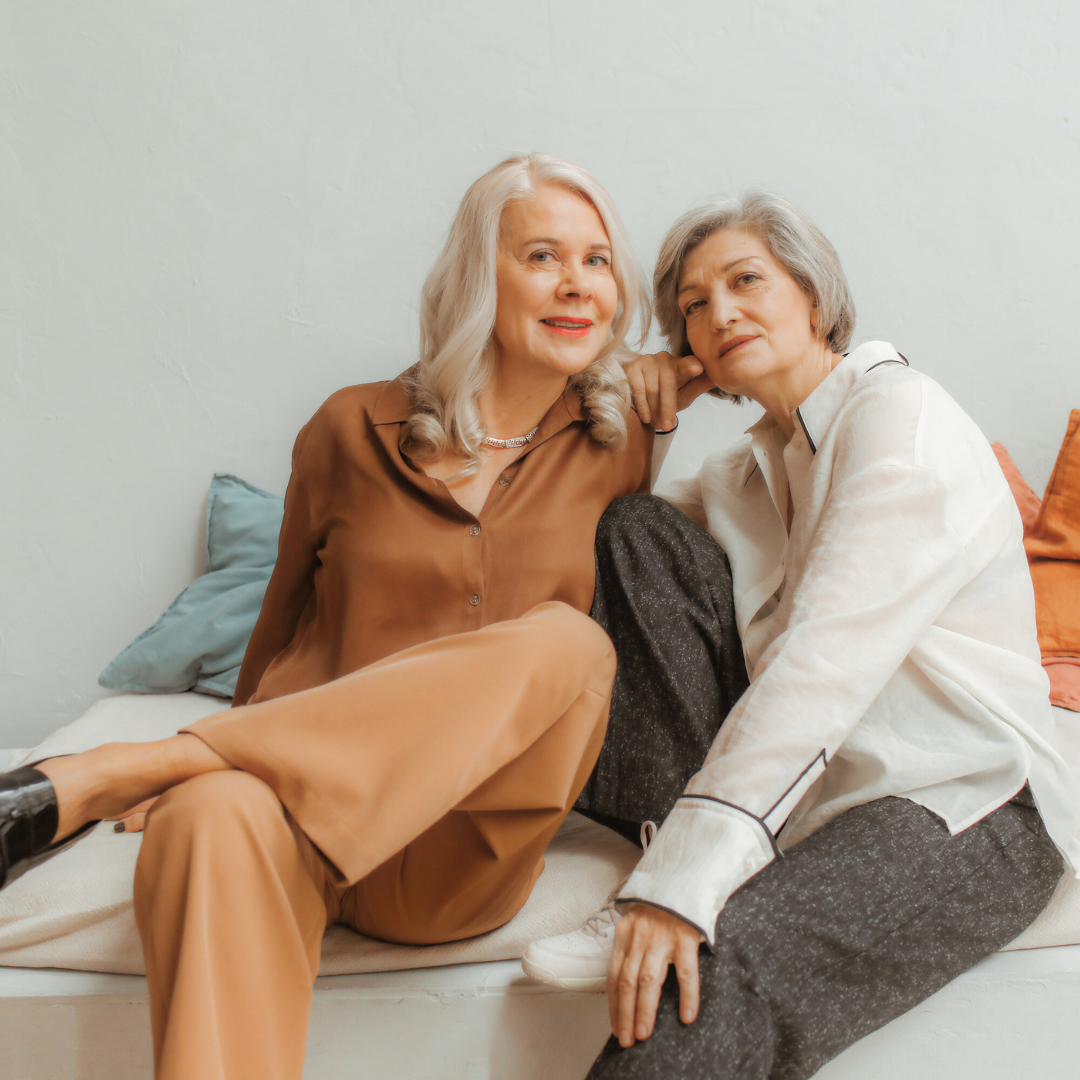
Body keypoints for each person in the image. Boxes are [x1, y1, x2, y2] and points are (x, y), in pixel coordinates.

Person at [0, 152, 675, 1080]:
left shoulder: (622, 437)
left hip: (461, 848)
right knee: (207, 815)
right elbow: (283, 626)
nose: (578, 286)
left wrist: (670, 374)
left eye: (600, 262)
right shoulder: (348, 427)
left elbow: (753, 352)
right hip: (303, 817)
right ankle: (181, 775)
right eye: (543, 257)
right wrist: (232, 749)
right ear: (481, 273)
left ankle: (111, 771)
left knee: (571, 641)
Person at [523, 191, 1079, 1080]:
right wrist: (650, 418)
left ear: (813, 299)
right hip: (817, 800)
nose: (721, 313)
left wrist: (675, 894)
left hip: (968, 802)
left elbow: (822, 665)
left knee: (707, 970)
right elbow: (602, 570)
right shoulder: (741, 471)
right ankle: (677, 844)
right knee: (635, 530)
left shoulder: (902, 417)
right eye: (694, 308)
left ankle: (686, 872)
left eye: (747, 281)